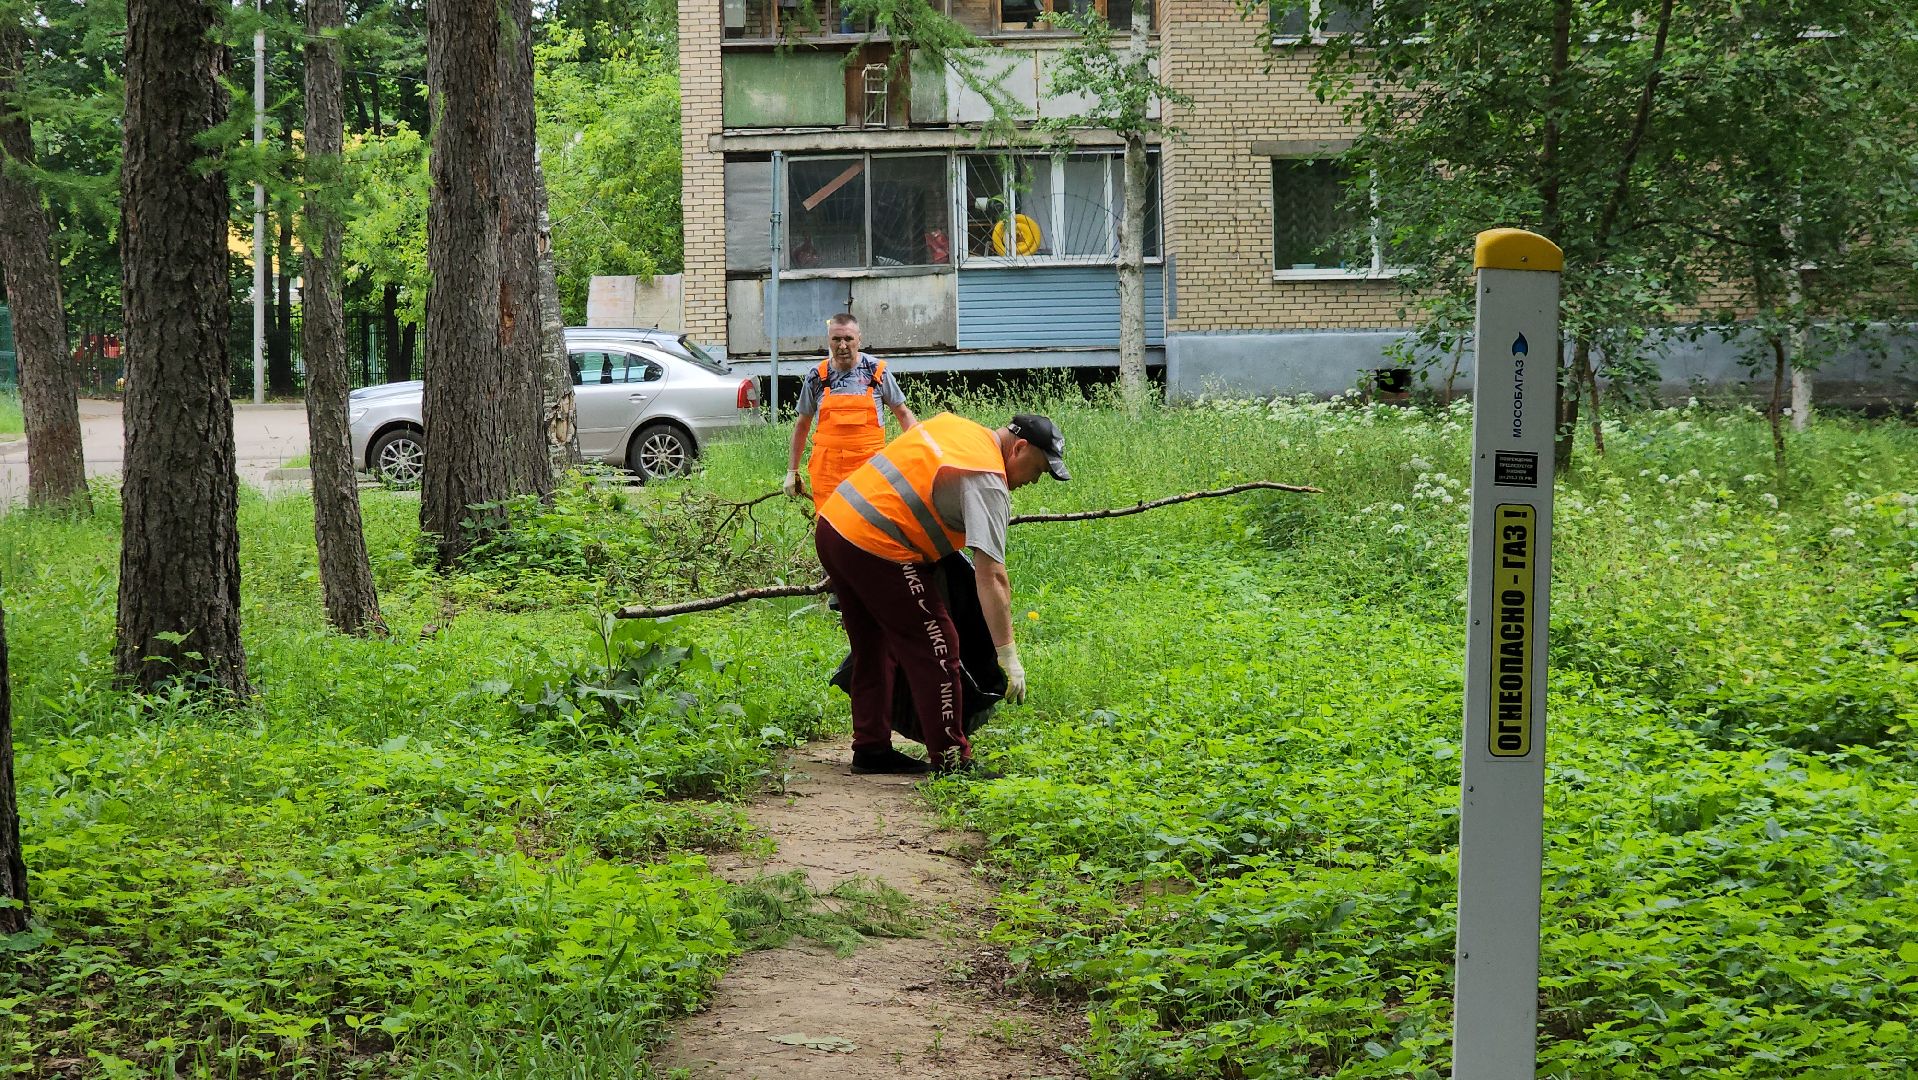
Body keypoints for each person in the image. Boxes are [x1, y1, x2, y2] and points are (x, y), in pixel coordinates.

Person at [815, 412, 1069, 776]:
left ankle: (871, 748)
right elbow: (992, 575)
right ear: (1021, 448)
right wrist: (1008, 656)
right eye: (1040, 469)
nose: (1034, 480)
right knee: (937, 643)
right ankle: (951, 760)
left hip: (834, 527)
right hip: (877, 543)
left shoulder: (960, 430)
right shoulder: (988, 479)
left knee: (874, 643)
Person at [784, 313, 917, 511]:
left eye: (848, 338)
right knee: (831, 531)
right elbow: (802, 424)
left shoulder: (876, 372)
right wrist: (792, 470)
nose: (842, 345)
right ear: (829, 341)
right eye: (836, 339)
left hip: (870, 472)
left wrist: (923, 453)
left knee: (870, 530)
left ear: (859, 339)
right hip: (827, 474)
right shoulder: (816, 376)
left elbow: (904, 415)